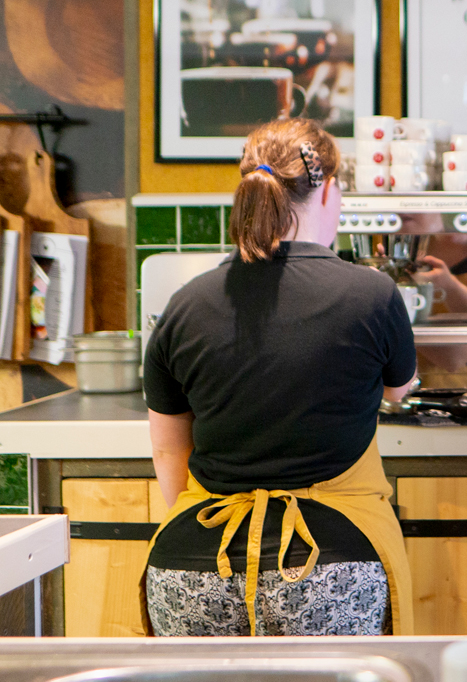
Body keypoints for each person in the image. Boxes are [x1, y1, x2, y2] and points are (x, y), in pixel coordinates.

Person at [141, 118, 419, 637]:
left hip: (193, 564)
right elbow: (397, 388)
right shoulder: (373, 295)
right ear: (330, 190)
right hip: (326, 569)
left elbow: (168, 452)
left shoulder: (183, 306)